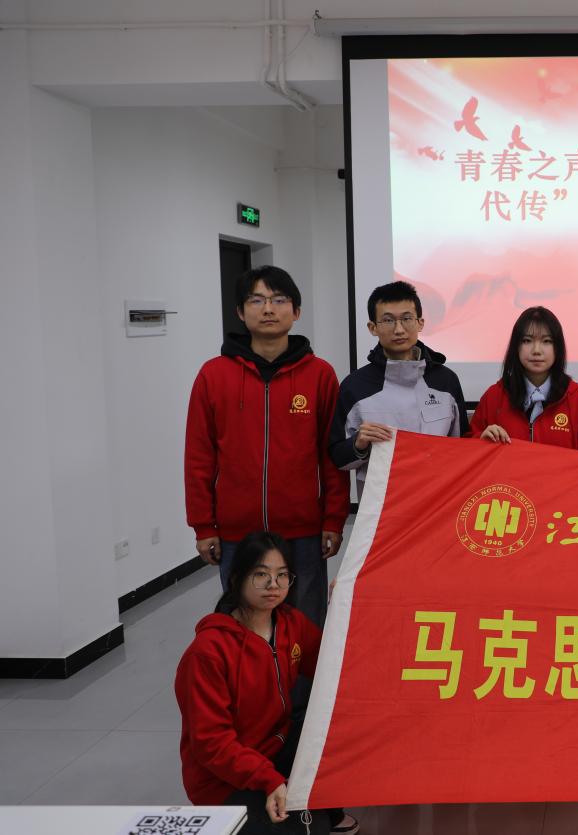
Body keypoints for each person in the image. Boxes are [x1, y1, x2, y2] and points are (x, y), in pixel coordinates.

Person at [185, 266, 349, 629]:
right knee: (246, 626)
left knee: (305, 625)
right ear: (241, 312)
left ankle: (303, 673)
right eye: (256, 300)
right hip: (236, 532)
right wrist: (203, 525)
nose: (269, 309)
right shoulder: (213, 375)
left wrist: (333, 519)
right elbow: (198, 456)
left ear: (296, 311)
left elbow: (331, 456)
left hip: (303, 531)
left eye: (279, 299)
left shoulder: (320, 375)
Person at [174, 531, 357, 834]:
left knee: (341, 735)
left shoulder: (290, 623)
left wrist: (345, 609)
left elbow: (335, 666)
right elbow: (212, 744)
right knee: (308, 828)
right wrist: (268, 779)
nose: (274, 585)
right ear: (237, 578)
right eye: (261, 575)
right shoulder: (207, 652)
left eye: (282, 575)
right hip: (223, 780)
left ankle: (323, 808)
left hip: (275, 750)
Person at [330, 281, 469, 493]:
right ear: (372, 328)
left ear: (420, 323)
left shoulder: (446, 381)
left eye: (407, 319)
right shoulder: (354, 386)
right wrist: (358, 444)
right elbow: (337, 457)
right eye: (388, 320)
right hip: (380, 506)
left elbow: (464, 447)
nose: (399, 329)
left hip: (439, 501)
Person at [470, 306, 578, 450]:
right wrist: (480, 440)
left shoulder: (577, 398)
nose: (536, 351)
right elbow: (467, 448)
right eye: (527, 341)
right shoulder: (494, 396)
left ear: (558, 347)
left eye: (546, 341)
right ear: (516, 346)